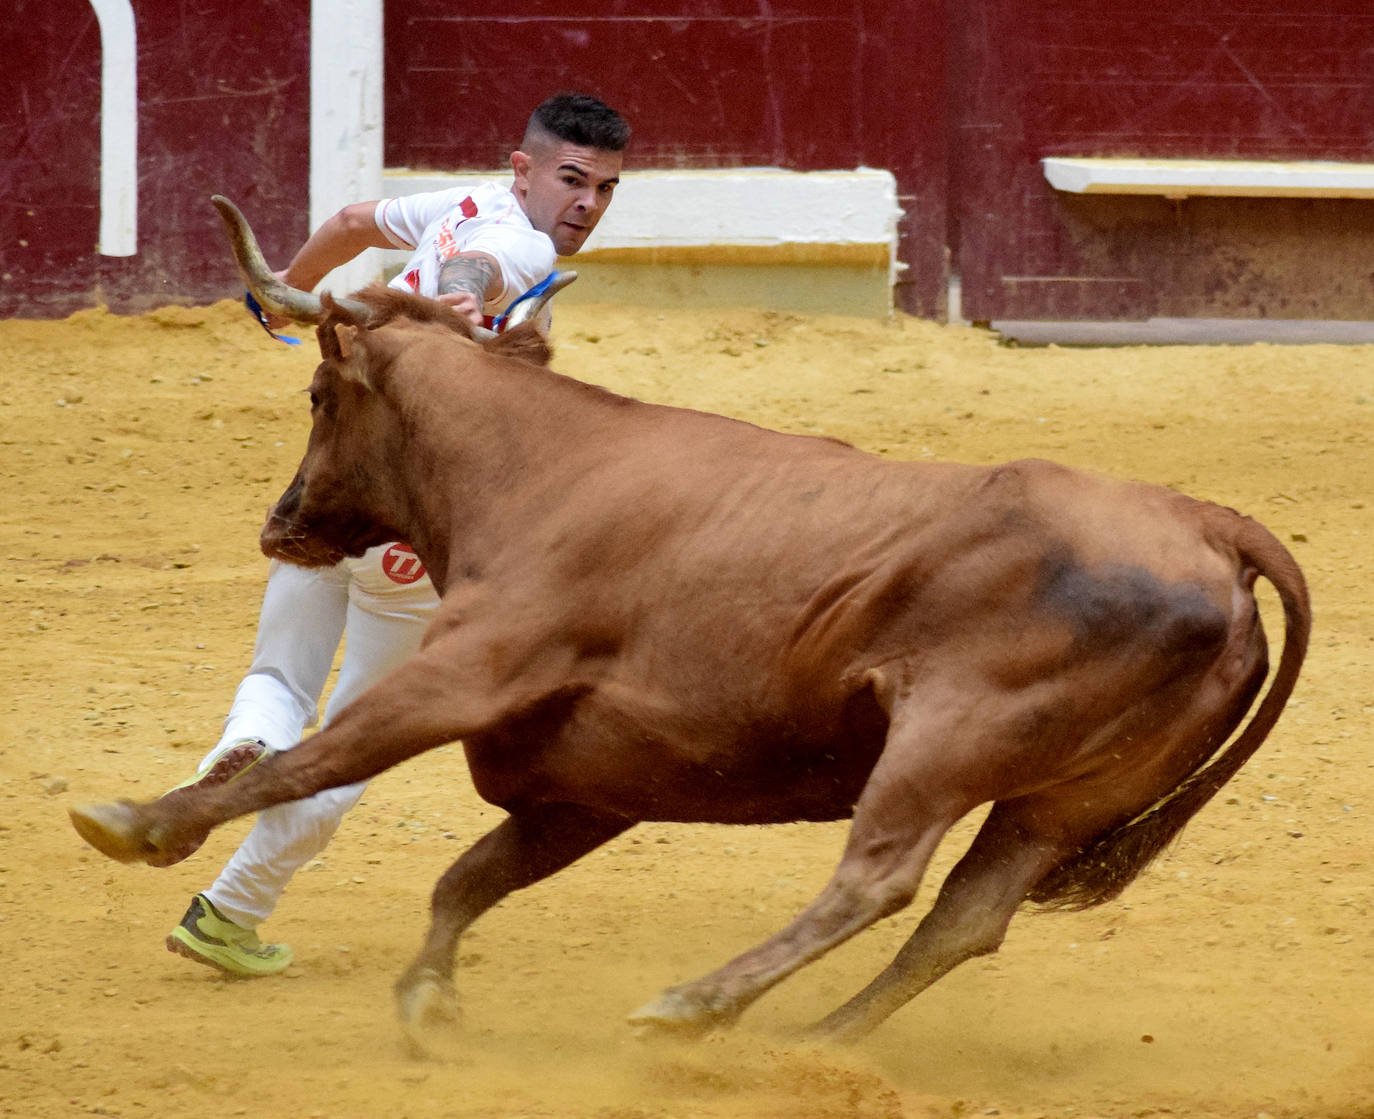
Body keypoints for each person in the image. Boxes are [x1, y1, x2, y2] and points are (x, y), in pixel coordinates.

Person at [165, 92, 629, 977]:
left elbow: (347, 222)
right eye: (573, 179)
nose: (588, 203)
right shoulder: (522, 245)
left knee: (276, 677)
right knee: (356, 736)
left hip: (334, 485)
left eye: (606, 188)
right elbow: (489, 271)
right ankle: (230, 910)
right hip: (412, 531)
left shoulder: (459, 206)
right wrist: (457, 301)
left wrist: (275, 303)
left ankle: (240, 747)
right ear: (524, 168)